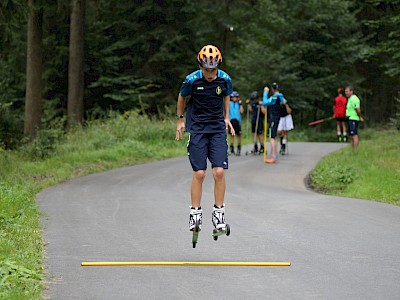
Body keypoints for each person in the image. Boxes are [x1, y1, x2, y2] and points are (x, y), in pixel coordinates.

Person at [175, 44, 235, 233]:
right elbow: (182, 97)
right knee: (199, 173)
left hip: (217, 128)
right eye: (207, 70)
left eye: (214, 69)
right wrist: (180, 120)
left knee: (219, 172)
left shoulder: (225, 79)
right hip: (198, 128)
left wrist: (226, 118)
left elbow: (226, 96)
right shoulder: (191, 80)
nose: (211, 73)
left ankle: (219, 213)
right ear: (200, 66)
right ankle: (195, 214)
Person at [262, 82, 286, 163]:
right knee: (274, 137)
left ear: (272, 89)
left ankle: (273, 156)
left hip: (273, 118)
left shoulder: (275, 97)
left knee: (272, 137)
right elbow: (284, 102)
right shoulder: (281, 97)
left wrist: (265, 92)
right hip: (277, 117)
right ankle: (275, 155)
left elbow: (265, 102)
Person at [229, 91, 244, 155]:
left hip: (237, 120)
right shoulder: (229, 103)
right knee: (231, 134)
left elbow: (242, 111)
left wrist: (240, 104)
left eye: (235, 97)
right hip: (231, 120)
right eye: (233, 97)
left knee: (238, 134)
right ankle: (231, 147)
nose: (234, 98)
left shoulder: (238, 104)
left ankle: (238, 147)